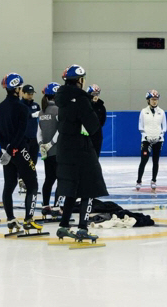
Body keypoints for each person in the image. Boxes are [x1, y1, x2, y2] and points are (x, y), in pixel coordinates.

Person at [54, 64, 109, 241]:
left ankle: (63, 226)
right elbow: (93, 126)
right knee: (89, 187)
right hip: (80, 148)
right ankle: (82, 228)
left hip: (64, 148)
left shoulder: (60, 98)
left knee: (71, 187)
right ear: (80, 80)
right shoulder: (81, 98)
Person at [0, 73, 43, 233]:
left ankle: (11, 220)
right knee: (33, 185)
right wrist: (12, 148)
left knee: (9, 185)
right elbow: (21, 131)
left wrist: (4, 148)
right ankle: (28, 220)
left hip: (7, 153)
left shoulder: (0, 107)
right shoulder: (22, 108)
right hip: (20, 150)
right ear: (17, 89)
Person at [136, 90, 167, 192]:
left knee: (155, 161)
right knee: (144, 160)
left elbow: (164, 127)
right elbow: (140, 126)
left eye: (156, 100)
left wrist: (160, 136)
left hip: (158, 140)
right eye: (152, 99)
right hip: (146, 140)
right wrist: (145, 136)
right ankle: (139, 181)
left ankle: (153, 180)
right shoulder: (143, 111)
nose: (154, 101)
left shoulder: (161, 112)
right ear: (148, 100)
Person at [38, 82, 61, 217]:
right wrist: (51, 143)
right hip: (57, 150)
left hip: (46, 153)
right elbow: (60, 130)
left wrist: (42, 145)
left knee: (48, 179)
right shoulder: (58, 110)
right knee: (61, 179)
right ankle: (57, 207)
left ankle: (46, 206)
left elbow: (38, 132)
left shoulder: (42, 111)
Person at [17, 84, 41, 194]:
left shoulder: (36, 105)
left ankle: (30, 181)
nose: (31, 96)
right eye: (28, 94)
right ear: (23, 93)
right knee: (24, 161)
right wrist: (31, 115)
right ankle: (21, 179)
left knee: (33, 161)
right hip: (23, 138)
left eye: (32, 94)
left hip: (34, 138)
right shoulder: (19, 105)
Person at [87, 84, 106, 157]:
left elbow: (102, 121)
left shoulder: (101, 107)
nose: (95, 96)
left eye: (97, 94)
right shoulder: (85, 105)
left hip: (97, 134)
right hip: (85, 134)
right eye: (93, 94)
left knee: (95, 155)